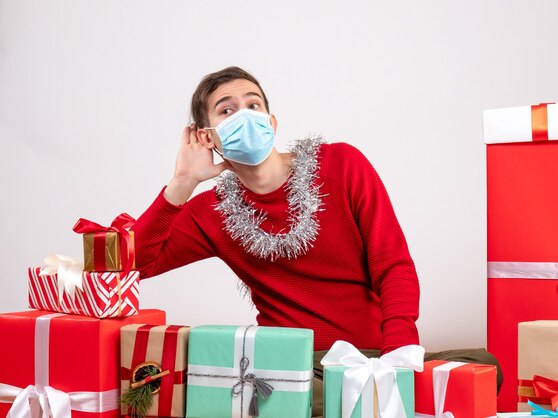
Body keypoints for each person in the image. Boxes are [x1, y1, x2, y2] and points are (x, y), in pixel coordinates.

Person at [132, 66, 501, 417]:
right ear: (207, 137)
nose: (245, 115)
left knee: (484, 369)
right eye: (227, 110)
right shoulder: (210, 211)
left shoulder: (341, 164)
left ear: (271, 123)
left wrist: (396, 359)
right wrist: (182, 182)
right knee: (287, 394)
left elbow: (393, 266)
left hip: (373, 355)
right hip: (294, 368)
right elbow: (134, 266)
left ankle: (361, 399)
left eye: (253, 105)